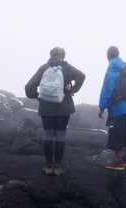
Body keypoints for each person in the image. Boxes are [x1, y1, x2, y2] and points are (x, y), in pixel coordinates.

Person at [25, 47, 86, 176]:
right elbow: (82, 76)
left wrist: (36, 96)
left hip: (46, 107)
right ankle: (57, 167)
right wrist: (73, 90)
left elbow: (29, 86)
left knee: (48, 135)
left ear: (51, 55)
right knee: (60, 135)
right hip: (64, 107)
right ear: (63, 56)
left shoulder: (44, 68)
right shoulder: (67, 68)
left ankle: (47, 166)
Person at [98, 46, 126, 171]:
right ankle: (125, 160)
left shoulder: (112, 69)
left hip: (118, 108)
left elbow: (107, 90)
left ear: (108, 56)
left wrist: (102, 107)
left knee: (116, 134)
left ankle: (117, 161)